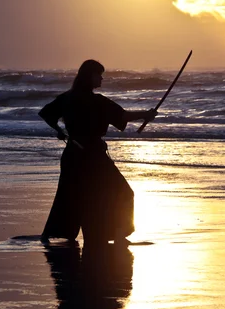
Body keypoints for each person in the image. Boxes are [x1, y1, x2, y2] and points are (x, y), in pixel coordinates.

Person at [38, 59, 157, 246]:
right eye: (99, 75)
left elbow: (45, 113)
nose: (101, 79)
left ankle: (59, 233)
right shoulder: (97, 101)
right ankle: (117, 233)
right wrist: (146, 114)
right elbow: (123, 116)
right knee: (122, 192)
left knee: (71, 196)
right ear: (89, 76)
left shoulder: (67, 98)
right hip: (93, 156)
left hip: (72, 155)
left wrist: (60, 131)